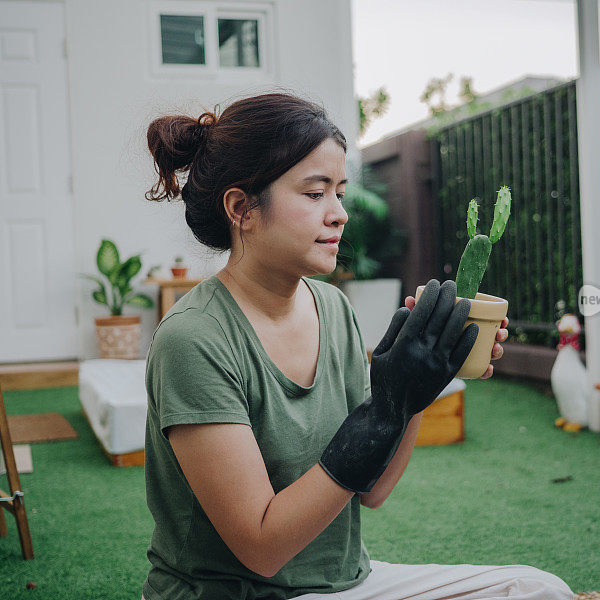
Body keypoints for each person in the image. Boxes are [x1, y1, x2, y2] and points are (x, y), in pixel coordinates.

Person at [141, 92, 574, 600]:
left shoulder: (334, 310)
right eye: (314, 193)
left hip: (344, 586)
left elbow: (374, 490)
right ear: (242, 208)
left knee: (535, 590)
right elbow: (261, 547)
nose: (339, 214)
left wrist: (414, 393)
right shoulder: (195, 338)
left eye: (340, 193)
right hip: (233, 593)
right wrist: (384, 410)